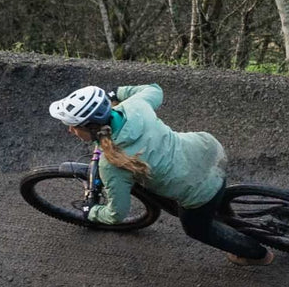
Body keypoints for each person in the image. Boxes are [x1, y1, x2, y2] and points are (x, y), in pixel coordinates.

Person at [48, 84, 275, 266]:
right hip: (209, 151)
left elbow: (116, 214)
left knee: (197, 229)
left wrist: (93, 212)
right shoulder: (135, 105)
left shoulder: (112, 164)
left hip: (197, 190)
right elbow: (155, 90)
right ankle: (225, 209)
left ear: (89, 128)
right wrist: (118, 92)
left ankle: (257, 254)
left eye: (73, 126)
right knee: (205, 191)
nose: (70, 130)